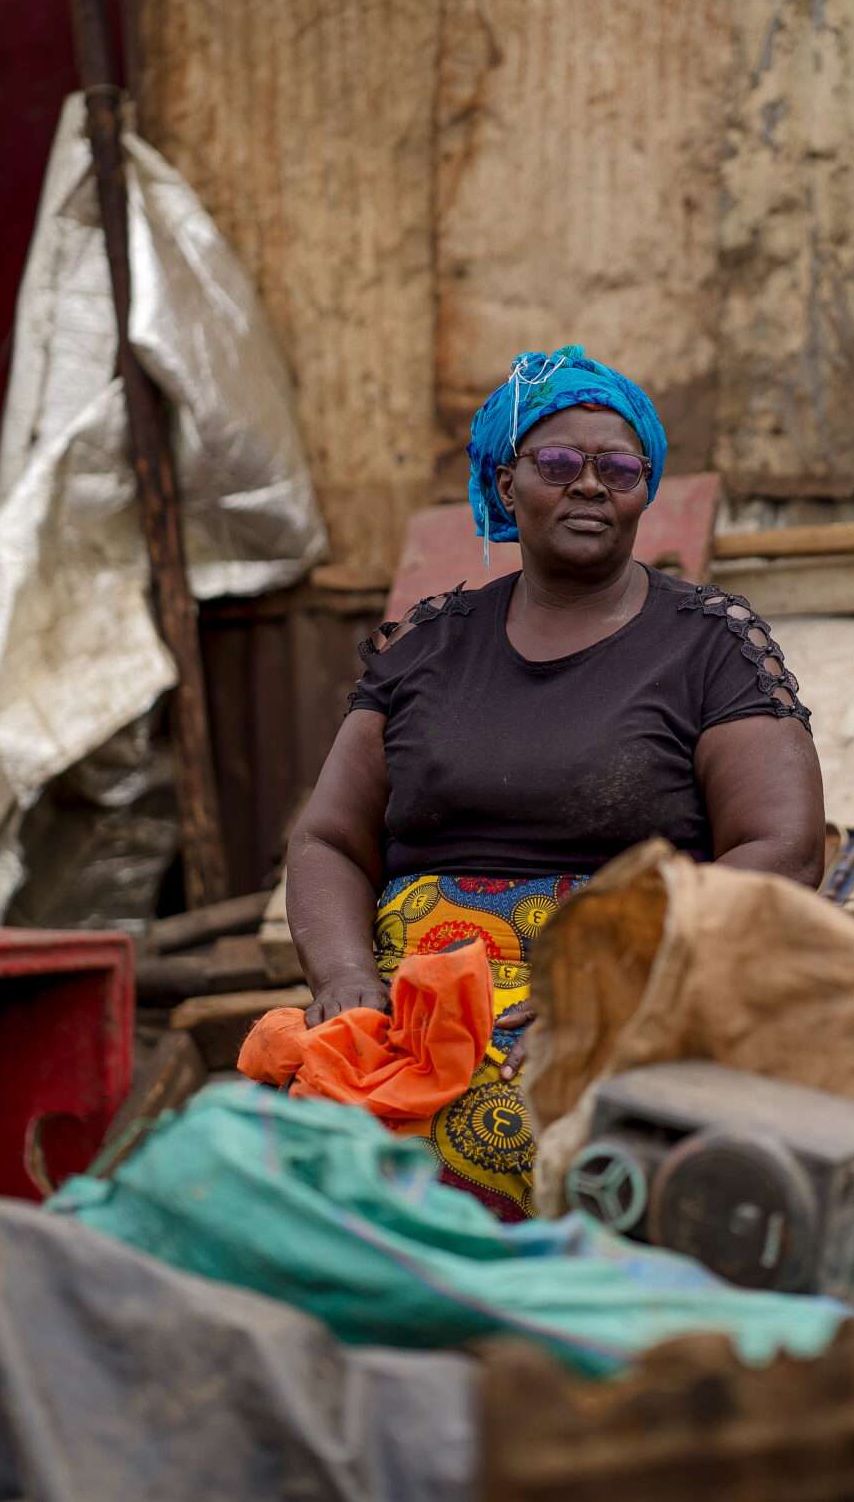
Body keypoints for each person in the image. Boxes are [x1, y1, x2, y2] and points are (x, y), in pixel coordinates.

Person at [283, 346, 826, 1217]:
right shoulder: (425, 649)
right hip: (414, 995)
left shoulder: (708, 647)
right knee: (289, 1149)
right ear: (505, 485)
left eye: (618, 467)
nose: (589, 486)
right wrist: (345, 973)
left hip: (625, 981)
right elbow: (328, 839)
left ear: (645, 489)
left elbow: (785, 850)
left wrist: (613, 970)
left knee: (532, 1131)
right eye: (558, 463)